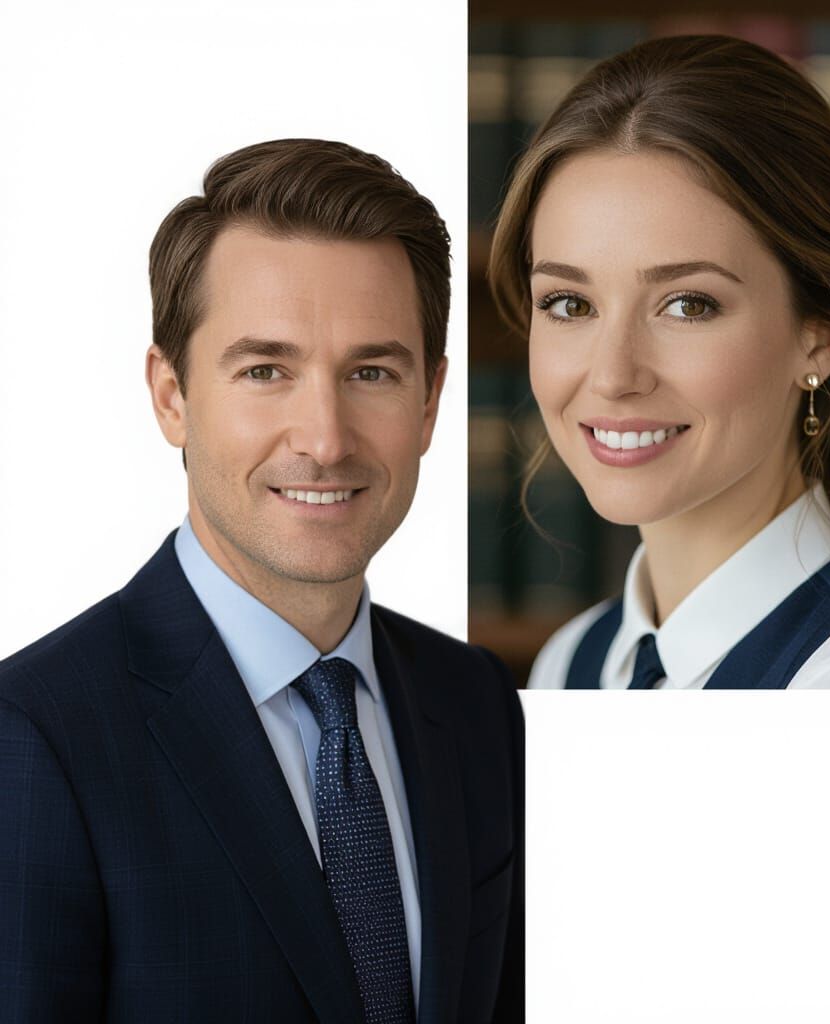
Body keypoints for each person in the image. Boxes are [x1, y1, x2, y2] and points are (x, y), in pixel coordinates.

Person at [0, 139, 523, 1023]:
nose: (324, 437)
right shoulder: (36, 738)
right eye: (265, 370)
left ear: (431, 402)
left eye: (371, 372)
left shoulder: (476, 702)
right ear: (171, 394)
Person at [488, 35, 830, 690]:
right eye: (570, 304)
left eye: (687, 305)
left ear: (820, 337)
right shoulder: (572, 662)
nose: (611, 376)